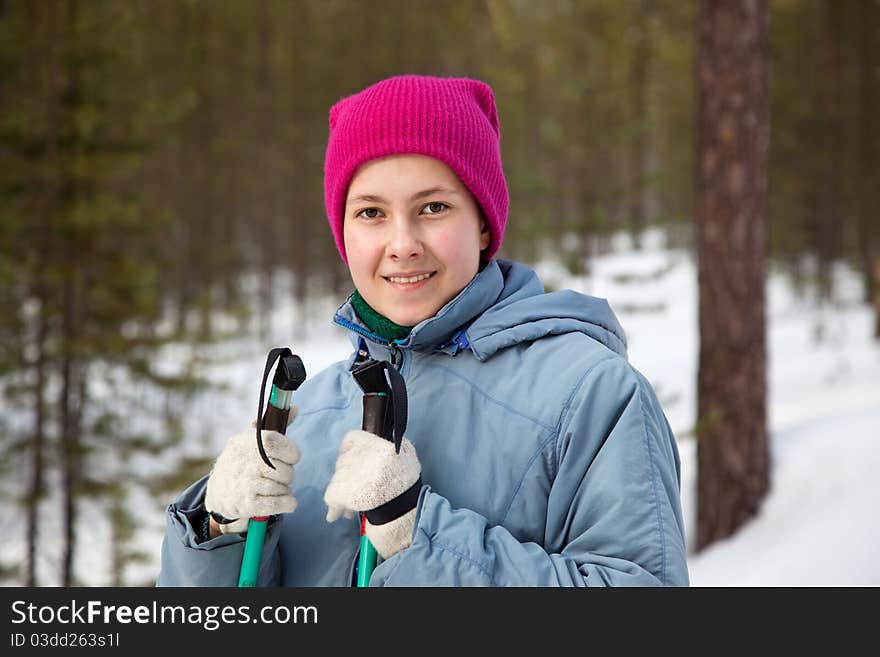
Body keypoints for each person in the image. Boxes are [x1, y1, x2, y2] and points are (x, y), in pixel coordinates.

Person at [158, 74, 689, 586]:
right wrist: (217, 535)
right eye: (370, 213)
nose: (402, 242)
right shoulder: (311, 413)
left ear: (482, 222)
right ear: (342, 232)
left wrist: (418, 536)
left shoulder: (592, 396)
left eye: (433, 207)